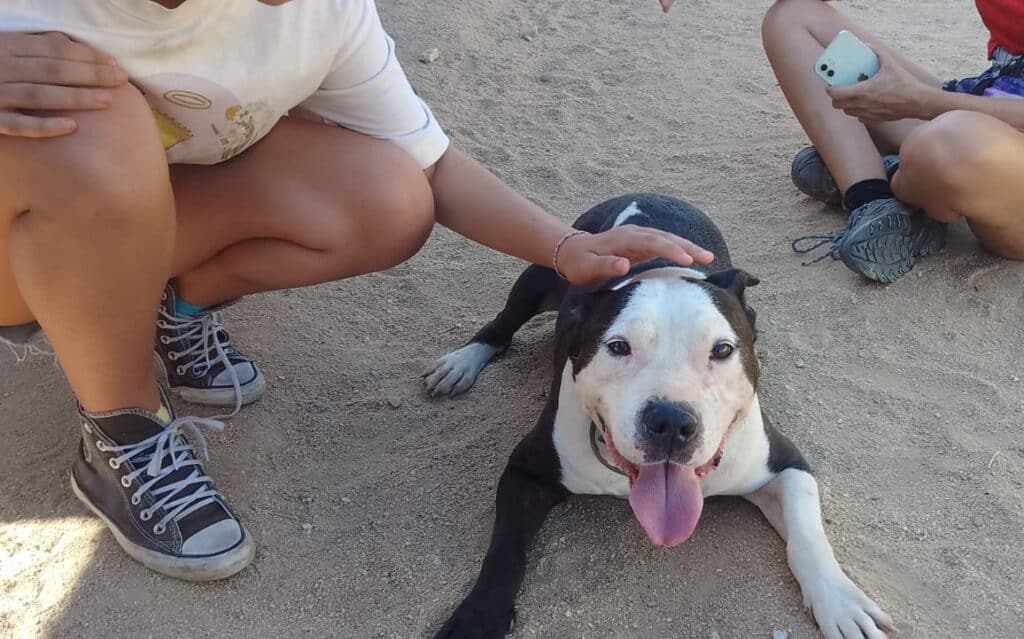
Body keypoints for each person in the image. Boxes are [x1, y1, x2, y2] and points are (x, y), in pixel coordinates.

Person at [0, 0, 715, 581]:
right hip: (19, 257)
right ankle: (122, 425)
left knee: (388, 198)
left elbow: (428, 166)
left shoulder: (316, 11)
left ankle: (170, 304)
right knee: (86, 111)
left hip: (134, 219)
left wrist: (567, 248)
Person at [759, 0, 1024, 282]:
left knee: (946, 146)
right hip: (991, 97)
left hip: (977, 139)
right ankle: (874, 199)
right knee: (794, 17)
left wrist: (924, 103)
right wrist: (925, 102)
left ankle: (900, 178)